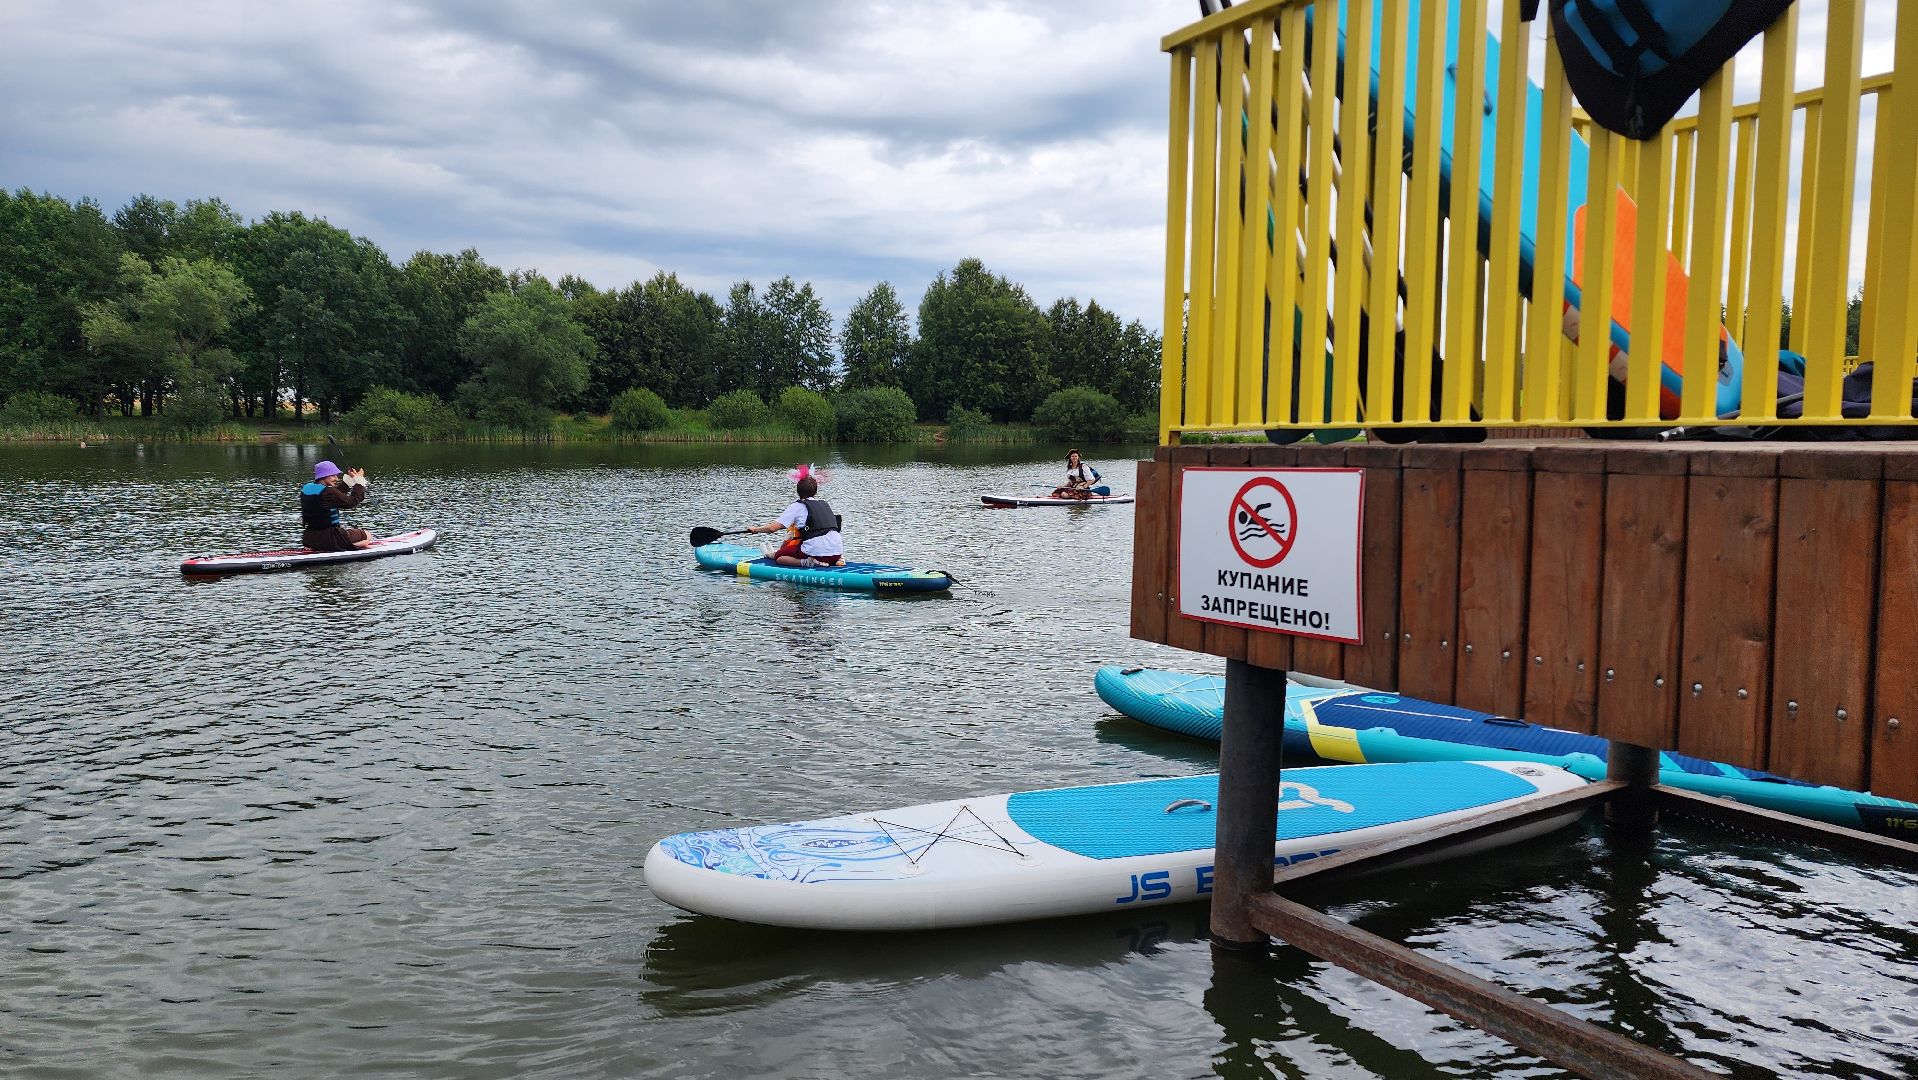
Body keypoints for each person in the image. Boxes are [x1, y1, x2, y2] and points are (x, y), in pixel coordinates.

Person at [746, 470, 844, 568]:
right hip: (836, 553)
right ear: (815, 492)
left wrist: (755, 529)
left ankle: (806, 562)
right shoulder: (825, 504)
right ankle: (839, 559)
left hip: (816, 553)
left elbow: (772, 528)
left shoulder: (797, 506)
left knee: (779, 557)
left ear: (798, 492)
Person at [301, 460, 374, 551]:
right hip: (331, 538)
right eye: (333, 475)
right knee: (367, 535)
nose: (336, 478)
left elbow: (334, 496)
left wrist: (348, 482)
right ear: (323, 476)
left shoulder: (307, 488)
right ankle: (356, 545)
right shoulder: (328, 492)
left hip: (310, 538)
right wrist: (359, 482)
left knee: (345, 531)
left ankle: (315, 547)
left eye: (336, 475)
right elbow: (351, 502)